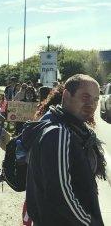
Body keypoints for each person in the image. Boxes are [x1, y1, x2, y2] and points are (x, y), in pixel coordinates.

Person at [26, 74, 106, 226]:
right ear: (67, 95)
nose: (92, 104)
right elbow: (61, 193)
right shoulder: (58, 132)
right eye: (85, 97)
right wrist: (90, 222)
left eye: (96, 99)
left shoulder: (73, 128)